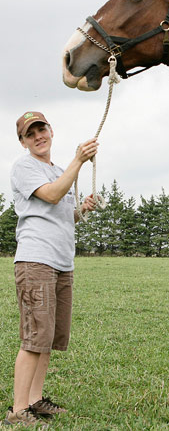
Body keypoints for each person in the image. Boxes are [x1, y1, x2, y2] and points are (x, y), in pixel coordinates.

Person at [4, 112, 99, 427]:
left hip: (61, 263)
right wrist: (79, 160)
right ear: (23, 142)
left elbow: (59, 211)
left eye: (41, 129)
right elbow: (51, 194)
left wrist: (80, 210)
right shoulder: (25, 167)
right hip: (36, 261)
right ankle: (18, 410)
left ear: (51, 131)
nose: (38, 136)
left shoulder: (58, 170)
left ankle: (35, 400)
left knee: (48, 338)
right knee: (34, 336)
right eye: (30, 134)